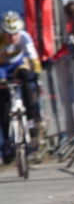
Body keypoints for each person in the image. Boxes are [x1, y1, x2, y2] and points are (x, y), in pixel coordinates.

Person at [0, 11, 41, 164]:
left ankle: (30, 121)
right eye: (8, 35)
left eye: (15, 34)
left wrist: (36, 73)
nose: (12, 38)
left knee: (25, 78)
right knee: (3, 102)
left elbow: (33, 57)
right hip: (2, 67)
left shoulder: (24, 37)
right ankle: (7, 143)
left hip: (18, 65)